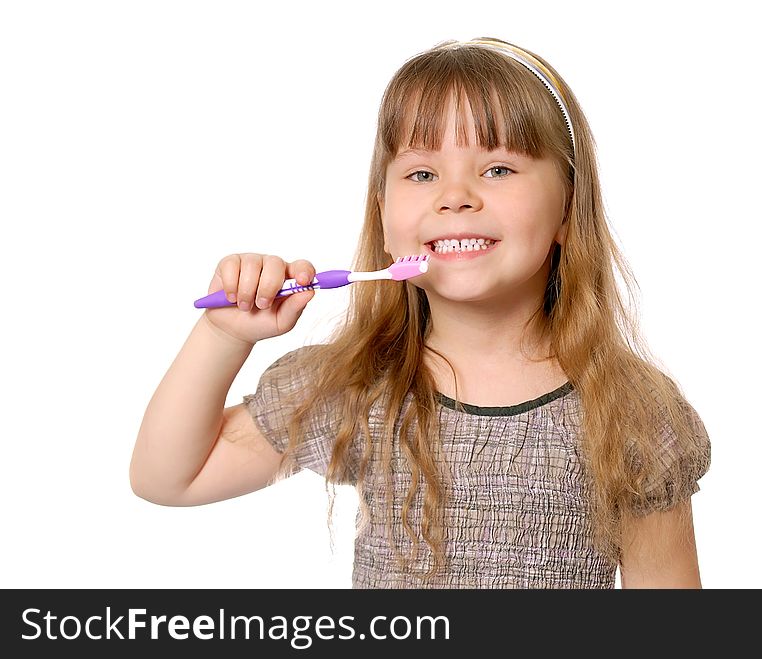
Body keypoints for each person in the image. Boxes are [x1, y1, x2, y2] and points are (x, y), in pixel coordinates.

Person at [130, 37, 711, 589]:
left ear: (567, 210)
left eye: (498, 169)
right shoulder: (356, 386)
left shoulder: (632, 412)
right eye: (422, 173)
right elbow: (170, 478)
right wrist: (222, 334)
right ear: (385, 219)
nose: (454, 196)